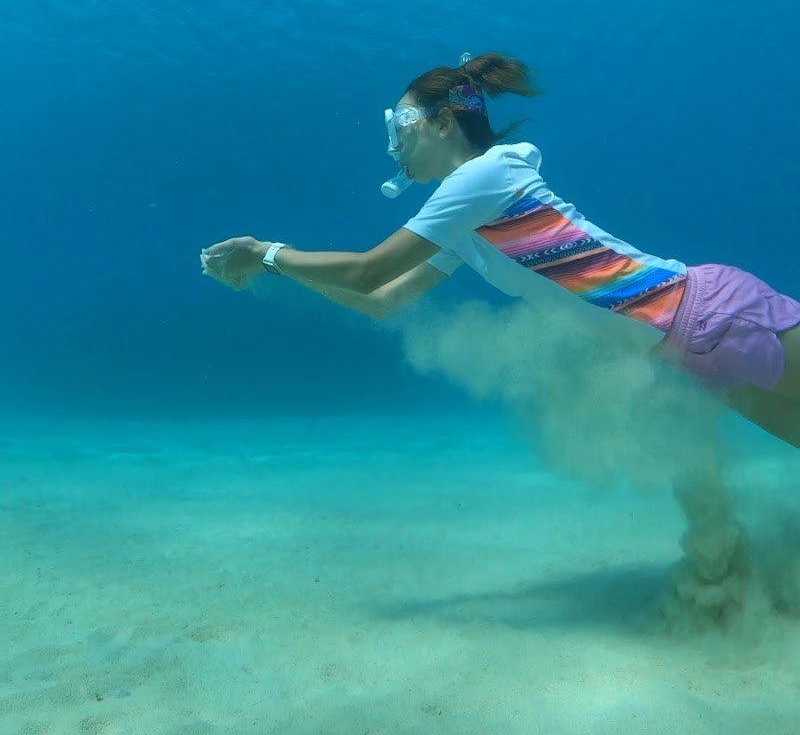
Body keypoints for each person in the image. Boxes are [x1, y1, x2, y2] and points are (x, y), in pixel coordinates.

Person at [201, 52, 800, 449]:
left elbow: (367, 270)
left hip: (711, 314)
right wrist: (274, 268)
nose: (392, 144)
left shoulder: (483, 179)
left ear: (443, 123)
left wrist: (268, 253)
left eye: (400, 124)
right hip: (689, 352)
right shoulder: (466, 217)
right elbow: (382, 299)